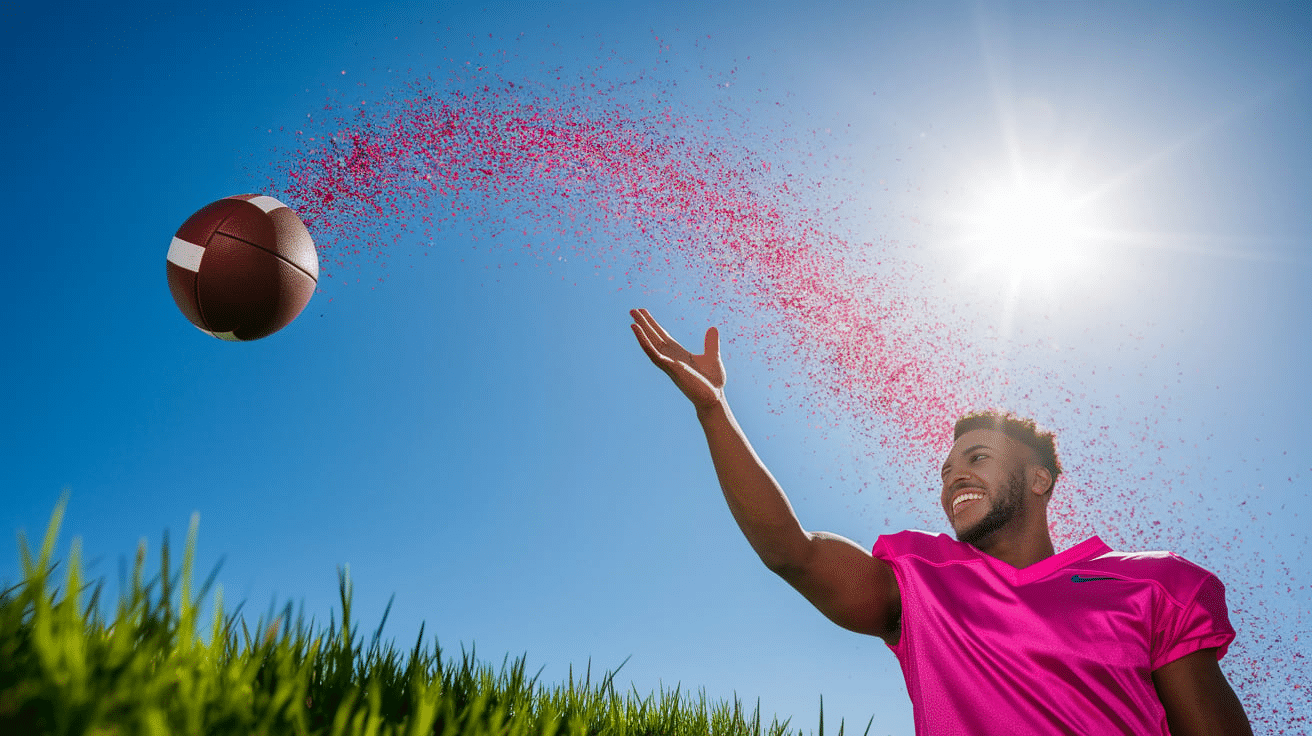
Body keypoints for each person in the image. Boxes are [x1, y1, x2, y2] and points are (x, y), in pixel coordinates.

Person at [629, 308, 1253, 735]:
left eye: (977, 458)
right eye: (947, 469)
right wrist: (715, 410)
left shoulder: (1153, 585)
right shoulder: (921, 584)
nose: (954, 476)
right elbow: (792, 552)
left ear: (1040, 480)